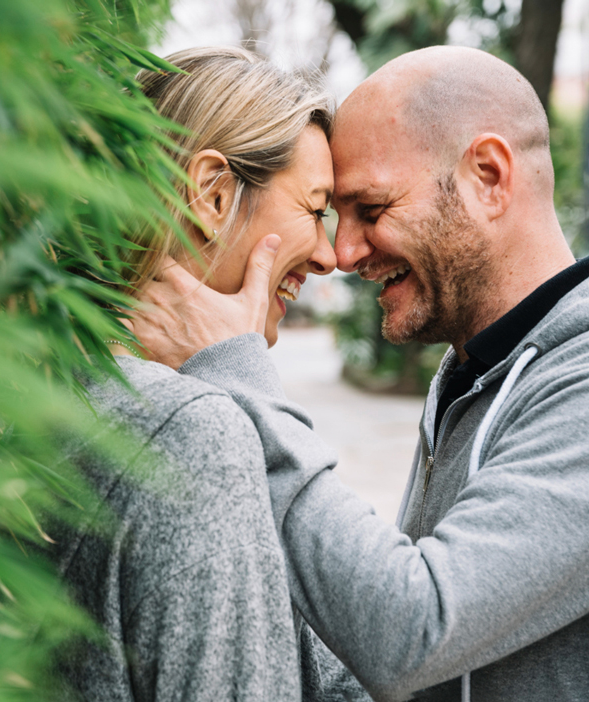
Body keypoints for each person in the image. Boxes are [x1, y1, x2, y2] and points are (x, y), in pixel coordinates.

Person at [127, 45, 589, 701]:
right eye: (328, 213)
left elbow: (412, 631)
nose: (341, 253)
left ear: (488, 176)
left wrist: (234, 375)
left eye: (370, 209)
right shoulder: (476, 372)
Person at [52, 46, 336, 701]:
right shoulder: (195, 430)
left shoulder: (67, 381)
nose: (328, 255)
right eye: (315, 209)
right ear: (213, 194)